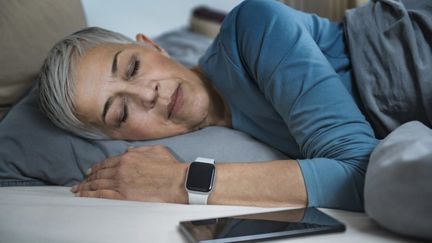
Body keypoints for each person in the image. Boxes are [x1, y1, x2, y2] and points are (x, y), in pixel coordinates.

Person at [38, 0, 426, 211]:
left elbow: (362, 172)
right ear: (116, 139)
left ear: (151, 44)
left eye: (133, 66)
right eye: (120, 113)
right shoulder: (227, 136)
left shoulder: (252, 24)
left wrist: (178, 181)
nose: (146, 94)